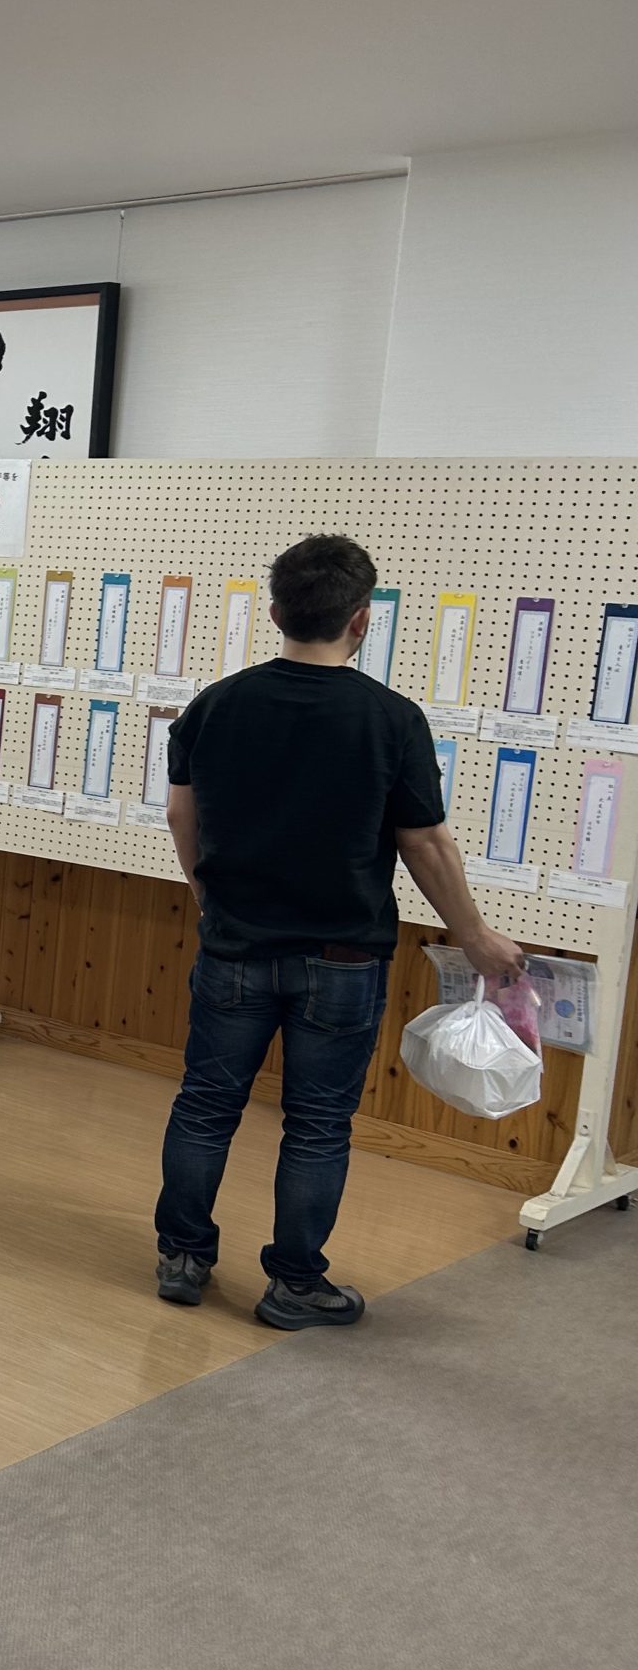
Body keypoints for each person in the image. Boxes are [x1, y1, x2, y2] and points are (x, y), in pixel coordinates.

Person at [155, 535, 524, 1329]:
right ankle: (293, 1285)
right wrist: (474, 936)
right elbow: (425, 843)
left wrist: (205, 893)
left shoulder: (215, 706)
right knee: (317, 1125)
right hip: (343, 958)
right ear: (361, 619)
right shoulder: (391, 720)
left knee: (206, 1105)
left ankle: (182, 1257)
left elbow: (182, 814)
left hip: (234, 946)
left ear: (275, 612)